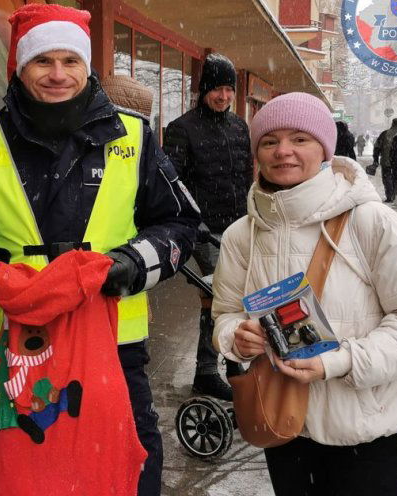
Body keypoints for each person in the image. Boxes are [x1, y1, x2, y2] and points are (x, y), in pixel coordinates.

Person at [0, 4, 200, 494]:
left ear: (86, 66)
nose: (57, 74)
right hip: (19, 347)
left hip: (113, 345)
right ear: (22, 67)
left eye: (70, 61)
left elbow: (182, 223)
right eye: (42, 61)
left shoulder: (134, 137)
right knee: (23, 475)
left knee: (126, 465)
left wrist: (130, 264)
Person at [211, 92, 397, 495]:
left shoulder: (371, 221)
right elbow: (226, 314)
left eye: (299, 139)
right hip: (283, 426)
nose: (283, 151)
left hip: (366, 432)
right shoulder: (242, 235)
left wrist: (340, 361)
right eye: (269, 141)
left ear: (323, 147)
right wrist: (235, 337)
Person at [162, 52, 251, 401]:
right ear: (203, 90)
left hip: (239, 226)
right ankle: (207, 369)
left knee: (239, 294)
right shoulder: (183, 129)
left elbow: (246, 176)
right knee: (220, 295)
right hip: (204, 229)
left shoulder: (239, 126)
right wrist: (191, 221)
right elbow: (172, 182)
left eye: (229, 89)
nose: (224, 97)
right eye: (217, 89)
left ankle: (232, 361)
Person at [373, 117, 397, 202]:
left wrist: (375, 158)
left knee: (387, 178)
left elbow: (377, 147)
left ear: (392, 124)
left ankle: (389, 196)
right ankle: (395, 195)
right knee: (396, 179)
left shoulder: (385, 134)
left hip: (386, 161)